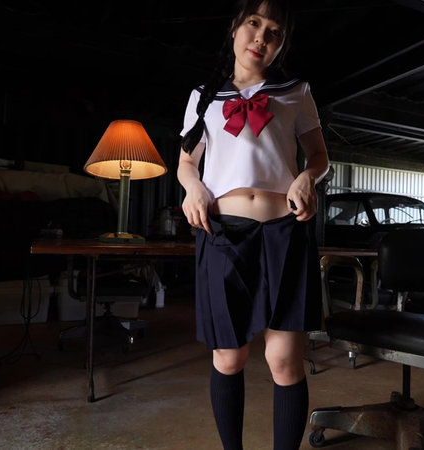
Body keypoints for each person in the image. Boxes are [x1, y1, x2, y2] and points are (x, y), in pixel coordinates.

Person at [177, 1, 330, 448]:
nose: (262, 37)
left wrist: (307, 177)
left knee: (284, 362)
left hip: (284, 232)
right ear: (235, 28)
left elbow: (319, 156)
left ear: (281, 45)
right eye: (254, 23)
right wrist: (192, 188)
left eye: (274, 32)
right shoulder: (204, 97)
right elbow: (187, 162)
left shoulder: (296, 91)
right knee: (229, 357)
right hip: (223, 234)